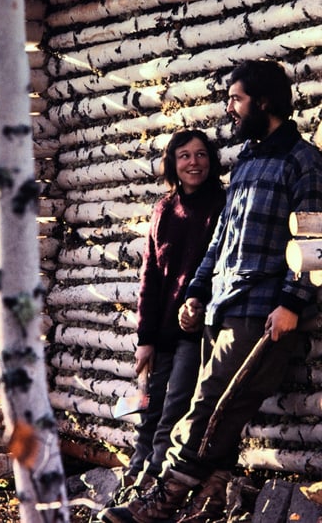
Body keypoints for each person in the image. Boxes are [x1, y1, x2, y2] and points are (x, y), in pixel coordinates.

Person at [99, 59, 322, 523]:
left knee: (209, 405)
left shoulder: (303, 161)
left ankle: (162, 500)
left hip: (263, 310)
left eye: (236, 99)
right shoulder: (246, 162)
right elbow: (221, 239)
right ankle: (212, 499)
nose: (230, 109)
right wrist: (196, 293)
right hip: (221, 307)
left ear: (262, 102)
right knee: (219, 406)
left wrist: (291, 303)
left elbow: (314, 241)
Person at [113, 129, 226, 502]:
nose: (194, 163)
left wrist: (201, 307)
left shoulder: (221, 206)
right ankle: (133, 477)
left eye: (201, 155)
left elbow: (220, 268)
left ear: (210, 160)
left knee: (174, 410)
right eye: (184, 156)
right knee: (148, 410)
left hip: (197, 330)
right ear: (173, 164)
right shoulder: (163, 210)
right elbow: (150, 278)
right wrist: (144, 339)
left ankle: (151, 488)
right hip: (161, 332)